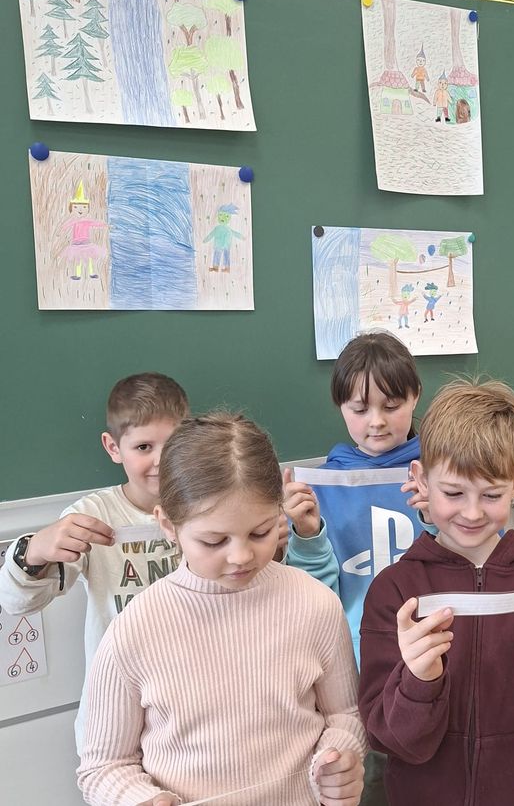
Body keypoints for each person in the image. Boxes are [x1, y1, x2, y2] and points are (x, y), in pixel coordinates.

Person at [78, 413, 367, 806]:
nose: (241, 556)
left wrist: (340, 757)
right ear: (169, 525)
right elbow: (103, 766)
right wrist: (140, 799)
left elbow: (346, 714)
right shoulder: (134, 629)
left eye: (261, 532)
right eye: (213, 541)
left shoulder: (315, 603)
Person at [358, 379, 514, 806]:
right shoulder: (396, 593)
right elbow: (395, 741)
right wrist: (419, 681)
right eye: (453, 493)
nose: (472, 513)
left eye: (491, 495)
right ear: (420, 478)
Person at [0, 372, 189, 752]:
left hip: (190, 704)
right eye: (143, 447)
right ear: (113, 447)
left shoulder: (206, 507)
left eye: (172, 445)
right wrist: (33, 550)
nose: (159, 461)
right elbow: (17, 601)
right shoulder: (93, 513)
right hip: (117, 716)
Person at [283, 330, 431, 806]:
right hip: (357, 673)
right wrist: (307, 535)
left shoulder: (440, 474)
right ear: (339, 408)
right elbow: (315, 598)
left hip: (432, 662)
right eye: (359, 408)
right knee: (370, 785)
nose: (377, 422)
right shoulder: (323, 484)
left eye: (392, 405)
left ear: (415, 397)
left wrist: (437, 517)